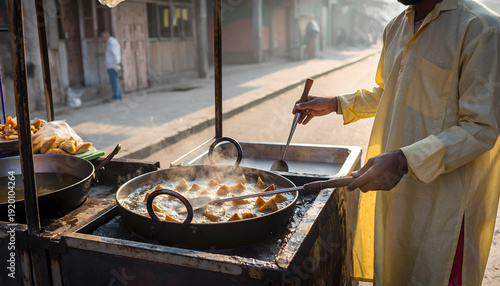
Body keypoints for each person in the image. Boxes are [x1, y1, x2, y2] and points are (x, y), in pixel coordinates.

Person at [293, 0, 500, 285]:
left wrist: (404, 160)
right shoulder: (395, 27)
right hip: (397, 191)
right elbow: (389, 91)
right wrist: (336, 103)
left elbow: (480, 127)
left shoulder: (482, 28)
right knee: (394, 269)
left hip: (447, 205)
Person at [100, 31, 122, 102]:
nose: (102, 39)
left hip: (112, 65)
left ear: (107, 36)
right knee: (115, 80)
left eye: (103, 37)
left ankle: (117, 95)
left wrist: (118, 62)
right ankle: (118, 94)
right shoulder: (111, 41)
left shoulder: (112, 42)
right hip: (112, 64)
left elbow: (115, 53)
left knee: (114, 80)